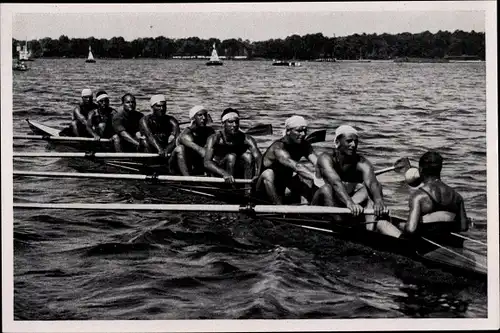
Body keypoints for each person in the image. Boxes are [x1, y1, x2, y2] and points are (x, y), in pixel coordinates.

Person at [312, 125, 390, 232]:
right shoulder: (325, 158)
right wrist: (350, 203)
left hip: (344, 203)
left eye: (355, 141)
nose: (353, 145)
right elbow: (335, 183)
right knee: (327, 189)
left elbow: (372, 183)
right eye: (349, 141)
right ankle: (342, 223)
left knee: (372, 189)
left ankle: (369, 232)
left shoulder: (362, 162)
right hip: (320, 205)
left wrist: (378, 200)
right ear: (338, 143)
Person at [397, 151, 469, 237]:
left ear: (420, 170)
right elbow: (464, 227)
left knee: (382, 224)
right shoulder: (457, 197)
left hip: (423, 242)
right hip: (445, 238)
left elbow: (411, 229)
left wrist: (401, 226)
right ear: (440, 169)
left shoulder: (418, 196)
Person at [255, 115, 318, 204]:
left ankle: (305, 206)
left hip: (284, 186)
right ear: (288, 131)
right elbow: (297, 166)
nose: (303, 134)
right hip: (263, 189)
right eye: (299, 131)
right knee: (268, 173)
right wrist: (317, 179)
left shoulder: (304, 145)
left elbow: (318, 163)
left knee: (305, 177)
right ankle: (279, 209)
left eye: (305, 131)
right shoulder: (278, 148)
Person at [204, 108, 262, 184]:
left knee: (248, 156)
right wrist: (224, 173)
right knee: (231, 157)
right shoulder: (214, 138)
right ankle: (230, 189)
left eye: (236, 122)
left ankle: (248, 189)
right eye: (230, 122)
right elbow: (207, 162)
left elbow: (258, 157)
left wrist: (258, 174)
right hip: (219, 172)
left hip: (236, 170)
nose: (234, 125)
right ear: (223, 124)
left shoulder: (246, 139)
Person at [170, 105, 215, 175]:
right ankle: (187, 178)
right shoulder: (187, 134)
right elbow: (201, 151)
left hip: (195, 162)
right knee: (180, 149)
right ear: (194, 118)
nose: (203, 118)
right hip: (178, 164)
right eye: (200, 115)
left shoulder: (210, 131)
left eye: (205, 115)